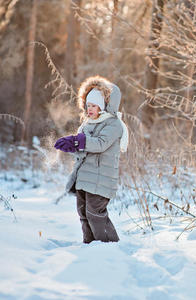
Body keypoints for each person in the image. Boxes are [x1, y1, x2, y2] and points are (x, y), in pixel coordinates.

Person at [54, 76, 128, 243]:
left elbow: (100, 144)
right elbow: (84, 150)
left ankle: (109, 246)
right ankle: (90, 246)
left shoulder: (113, 124)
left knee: (95, 214)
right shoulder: (87, 124)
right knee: (83, 213)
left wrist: (78, 141)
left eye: (94, 105)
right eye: (88, 106)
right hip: (84, 178)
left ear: (103, 106)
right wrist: (72, 146)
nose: (90, 109)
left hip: (101, 179)